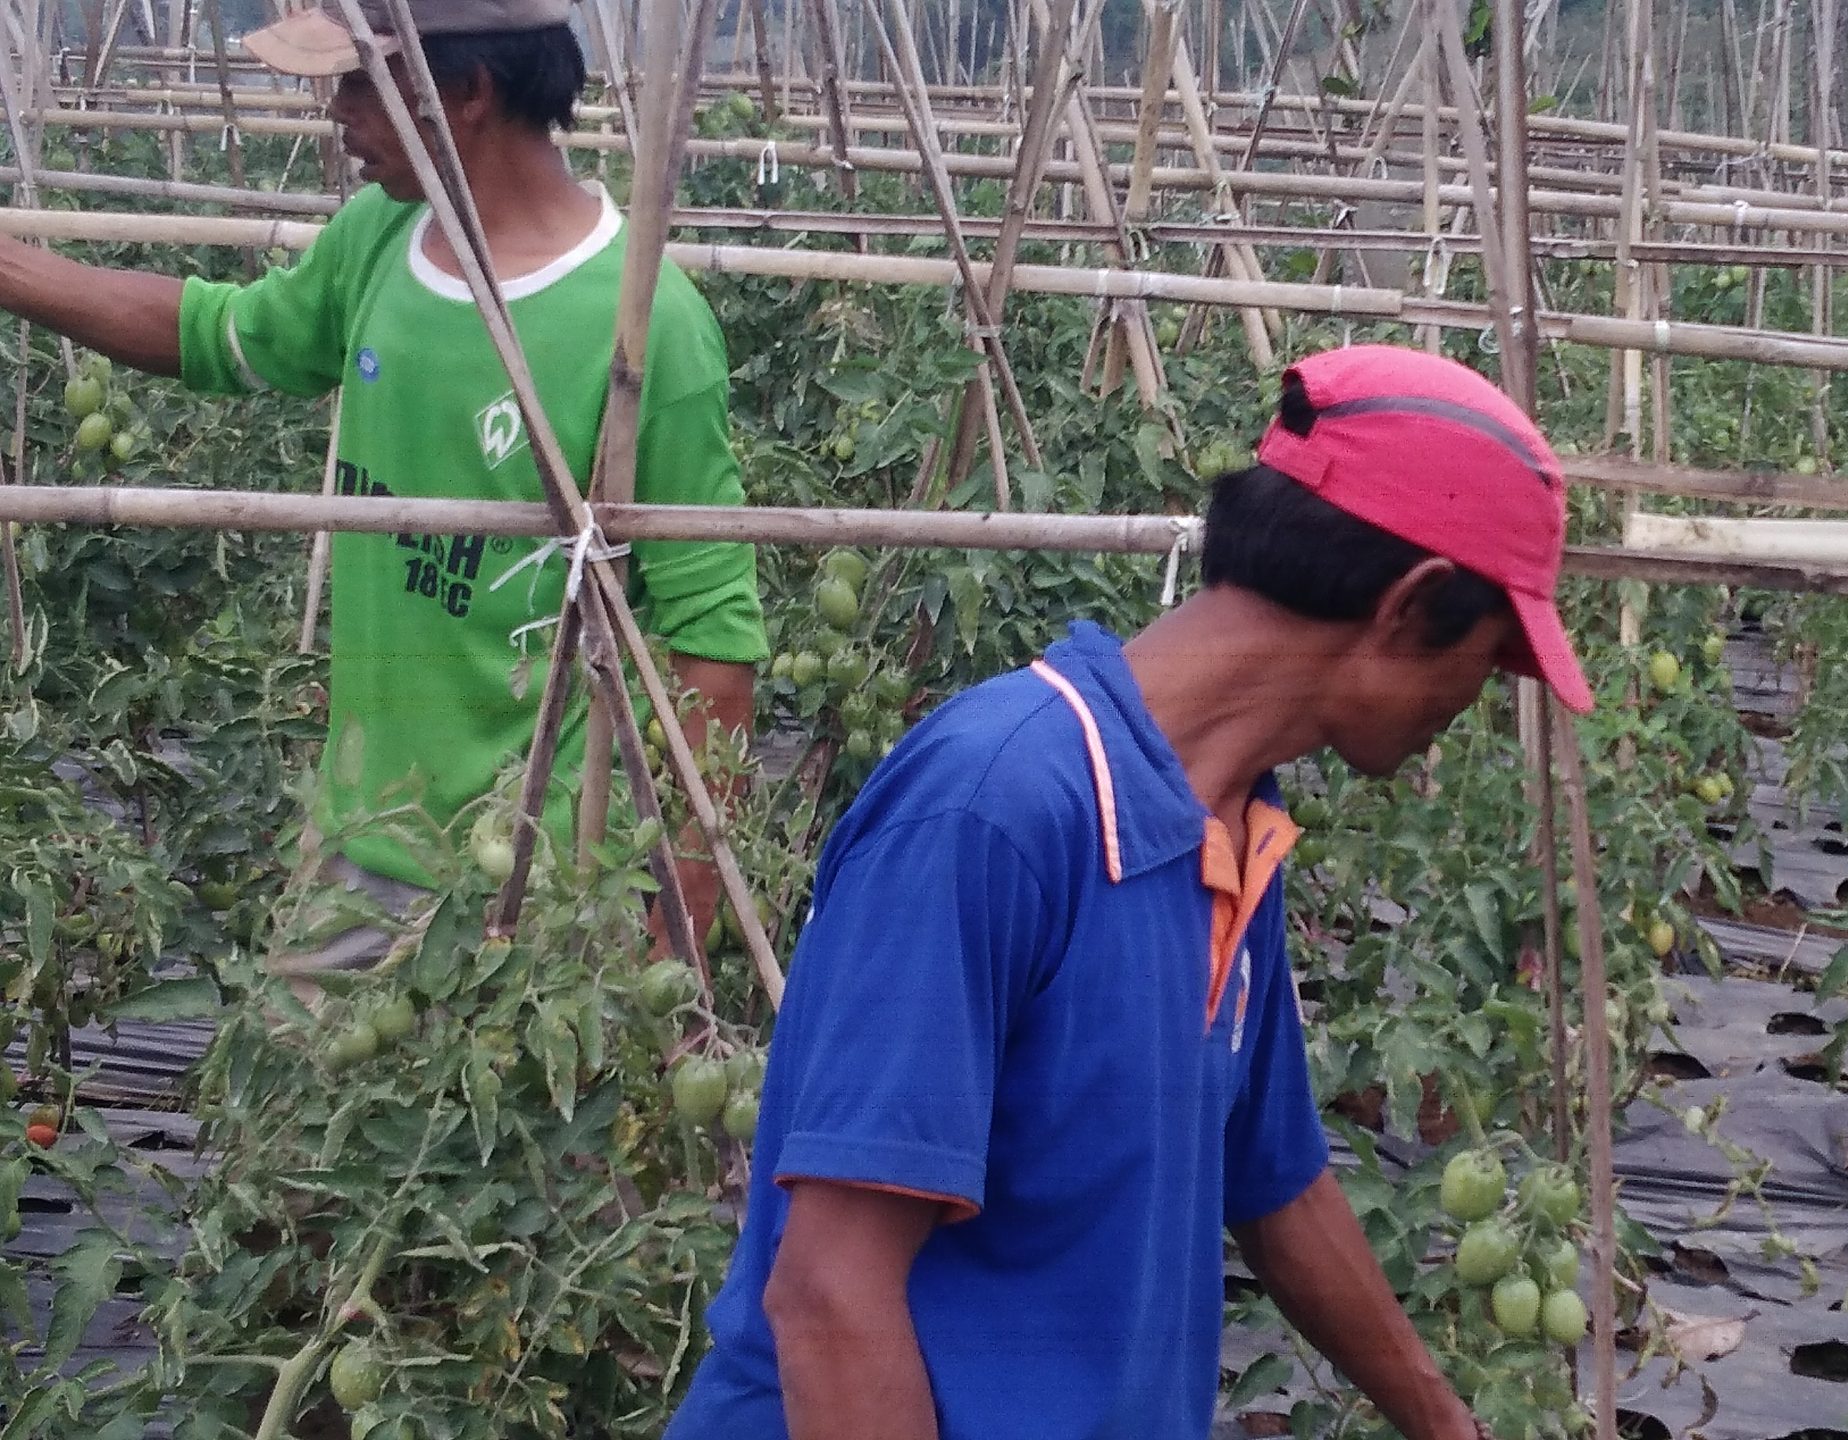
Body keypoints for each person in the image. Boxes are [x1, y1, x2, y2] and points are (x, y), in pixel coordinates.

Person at [667, 343, 1594, 1440]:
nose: (1476, 699)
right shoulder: (992, 809)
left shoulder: (1228, 824)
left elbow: (1276, 1181)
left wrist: (1444, 1424)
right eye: (1490, 659)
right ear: (1411, 604)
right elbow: (829, 1297)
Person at [0, 0, 766, 969]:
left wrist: (675, 946)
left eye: (361, 82)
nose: (336, 112)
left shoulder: (643, 324)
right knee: (292, 1112)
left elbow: (715, 647)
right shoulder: (378, 239)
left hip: (544, 877)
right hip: (358, 843)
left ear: (471, 91)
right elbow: (212, 332)